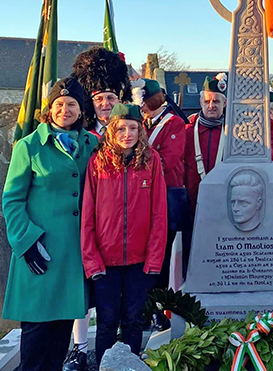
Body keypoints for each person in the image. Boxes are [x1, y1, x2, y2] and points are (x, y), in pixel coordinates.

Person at [2, 78, 98, 371]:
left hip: (73, 255)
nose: (64, 109)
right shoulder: (28, 146)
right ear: (49, 108)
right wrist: (26, 242)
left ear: (81, 110)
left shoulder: (92, 144)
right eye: (59, 104)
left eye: (72, 104)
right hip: (40, 253)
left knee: (59, 339)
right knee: (36, 337)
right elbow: (12, 199)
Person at [81, 103, 167, 364]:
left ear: (140, 130)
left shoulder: (151, 162)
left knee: (134, 319)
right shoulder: (98, 163)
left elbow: (159, 214)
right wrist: (91, 260)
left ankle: (131, 365)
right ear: (111, 131)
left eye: (132, 128)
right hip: (105, 261)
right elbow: (87, 216)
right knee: (107, 320)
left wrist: (154, 260)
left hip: (139, 262)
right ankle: (104, 366)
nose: (127, 134)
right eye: (120, 128)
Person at [64, 47, 131, 370]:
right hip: (83, 219)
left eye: (110, 98)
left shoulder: (131, 131)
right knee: (82, 289)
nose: (105, 105)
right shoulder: (83, 136)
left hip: (117, 225)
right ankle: (79, 347)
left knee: (112, 293)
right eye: (99, 99)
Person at [132, 77, 187, 329]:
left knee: (161, 257)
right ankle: (142, 307)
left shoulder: (173, 123)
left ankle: (158, 308)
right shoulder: (144, 122)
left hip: (166, 194)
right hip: (143, 197)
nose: (141, 107)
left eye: (144, 102)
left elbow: (169, 160)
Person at [183, 74, 227, 215]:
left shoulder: (232, 134)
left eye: (216, 101)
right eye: (207, 101)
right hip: (191, 204)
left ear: (224, 103)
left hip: (223, 202)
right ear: (201, 102)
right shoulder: (187, 131)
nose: (211, 106)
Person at [72, 47, 131, 135]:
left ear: (119, 101)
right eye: (99, 99)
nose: (105, 103)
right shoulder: (80, 135)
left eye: (110, 98)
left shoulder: (130, 134)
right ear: (91, 103)